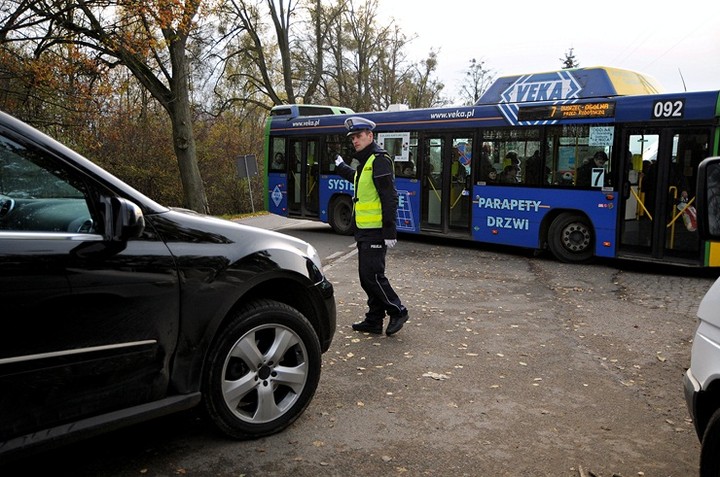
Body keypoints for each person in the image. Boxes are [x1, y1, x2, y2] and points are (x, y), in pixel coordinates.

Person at [334, 116, 409, 336]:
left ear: (370, 136)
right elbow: (358, 179)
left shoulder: (379, 159)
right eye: (353, 138)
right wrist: (342, 167)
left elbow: (389, 196)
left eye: (358, 136)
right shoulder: (366, 162)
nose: (355, 141)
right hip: (364, 230)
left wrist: (389, 229)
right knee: (367, 276)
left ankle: (398, 310)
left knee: (372, 276)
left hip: (376, 231)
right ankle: (374, 320)